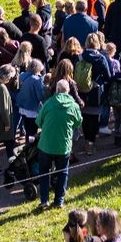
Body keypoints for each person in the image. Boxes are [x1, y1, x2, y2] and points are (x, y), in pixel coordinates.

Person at [36, 78, 82, 209]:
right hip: (63, 145)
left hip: (46, 145)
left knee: (44, 172)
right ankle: (59, 201)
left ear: (56, 90)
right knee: (62, 173)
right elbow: (78, 122)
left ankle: (44, 200)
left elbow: (38, 121)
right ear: (68, 91)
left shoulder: (49, 103)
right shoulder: (73, 105)